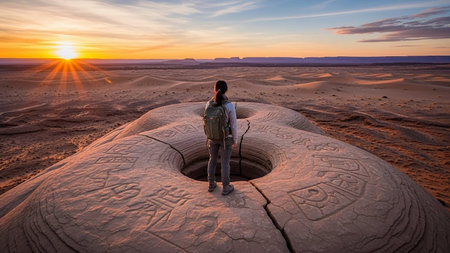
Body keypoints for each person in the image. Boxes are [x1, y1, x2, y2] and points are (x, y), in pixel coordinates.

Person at [205, 80, 238, 195]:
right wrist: (235, 139)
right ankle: (226, 187)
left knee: (212, 160)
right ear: (226, 90)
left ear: (215, 89)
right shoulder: (229, 105)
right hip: (225, 138)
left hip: (212, 137)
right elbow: (233, 124)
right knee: (225, 162)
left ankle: (211, 184)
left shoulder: (208, 104)